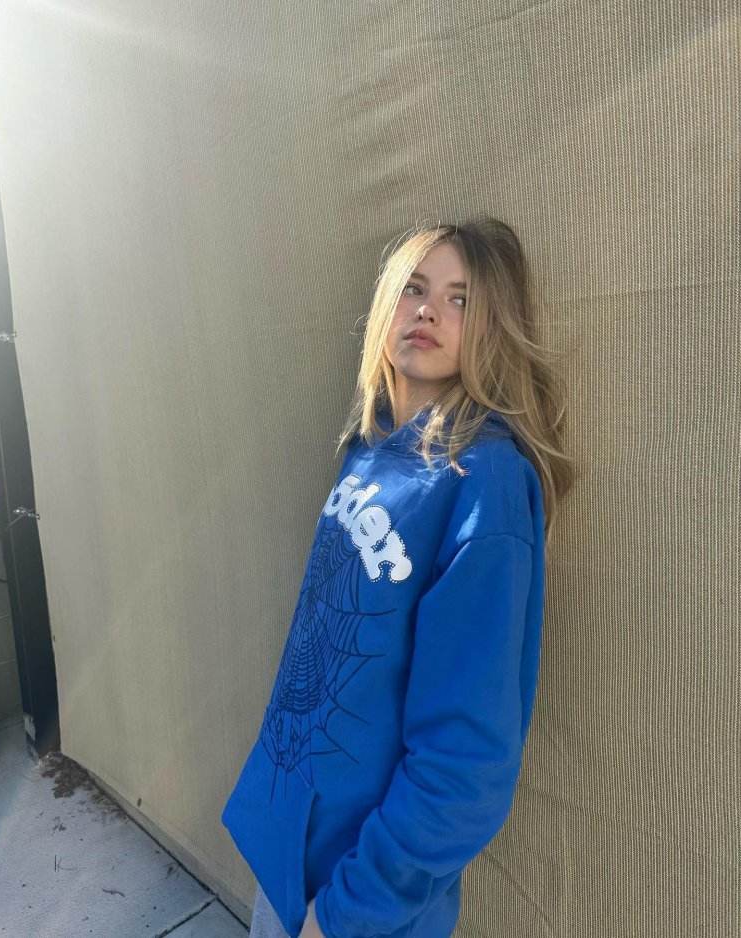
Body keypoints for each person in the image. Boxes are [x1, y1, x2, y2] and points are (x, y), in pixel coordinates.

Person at [221, 218, 575, 938]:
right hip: (285, 855)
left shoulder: (485, 485)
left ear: (493, 328)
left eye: (460, 300)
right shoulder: (371, 443)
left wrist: (346, 912)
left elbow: (464, 763)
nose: (428, 311)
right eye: (414, 288)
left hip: (355, 900)